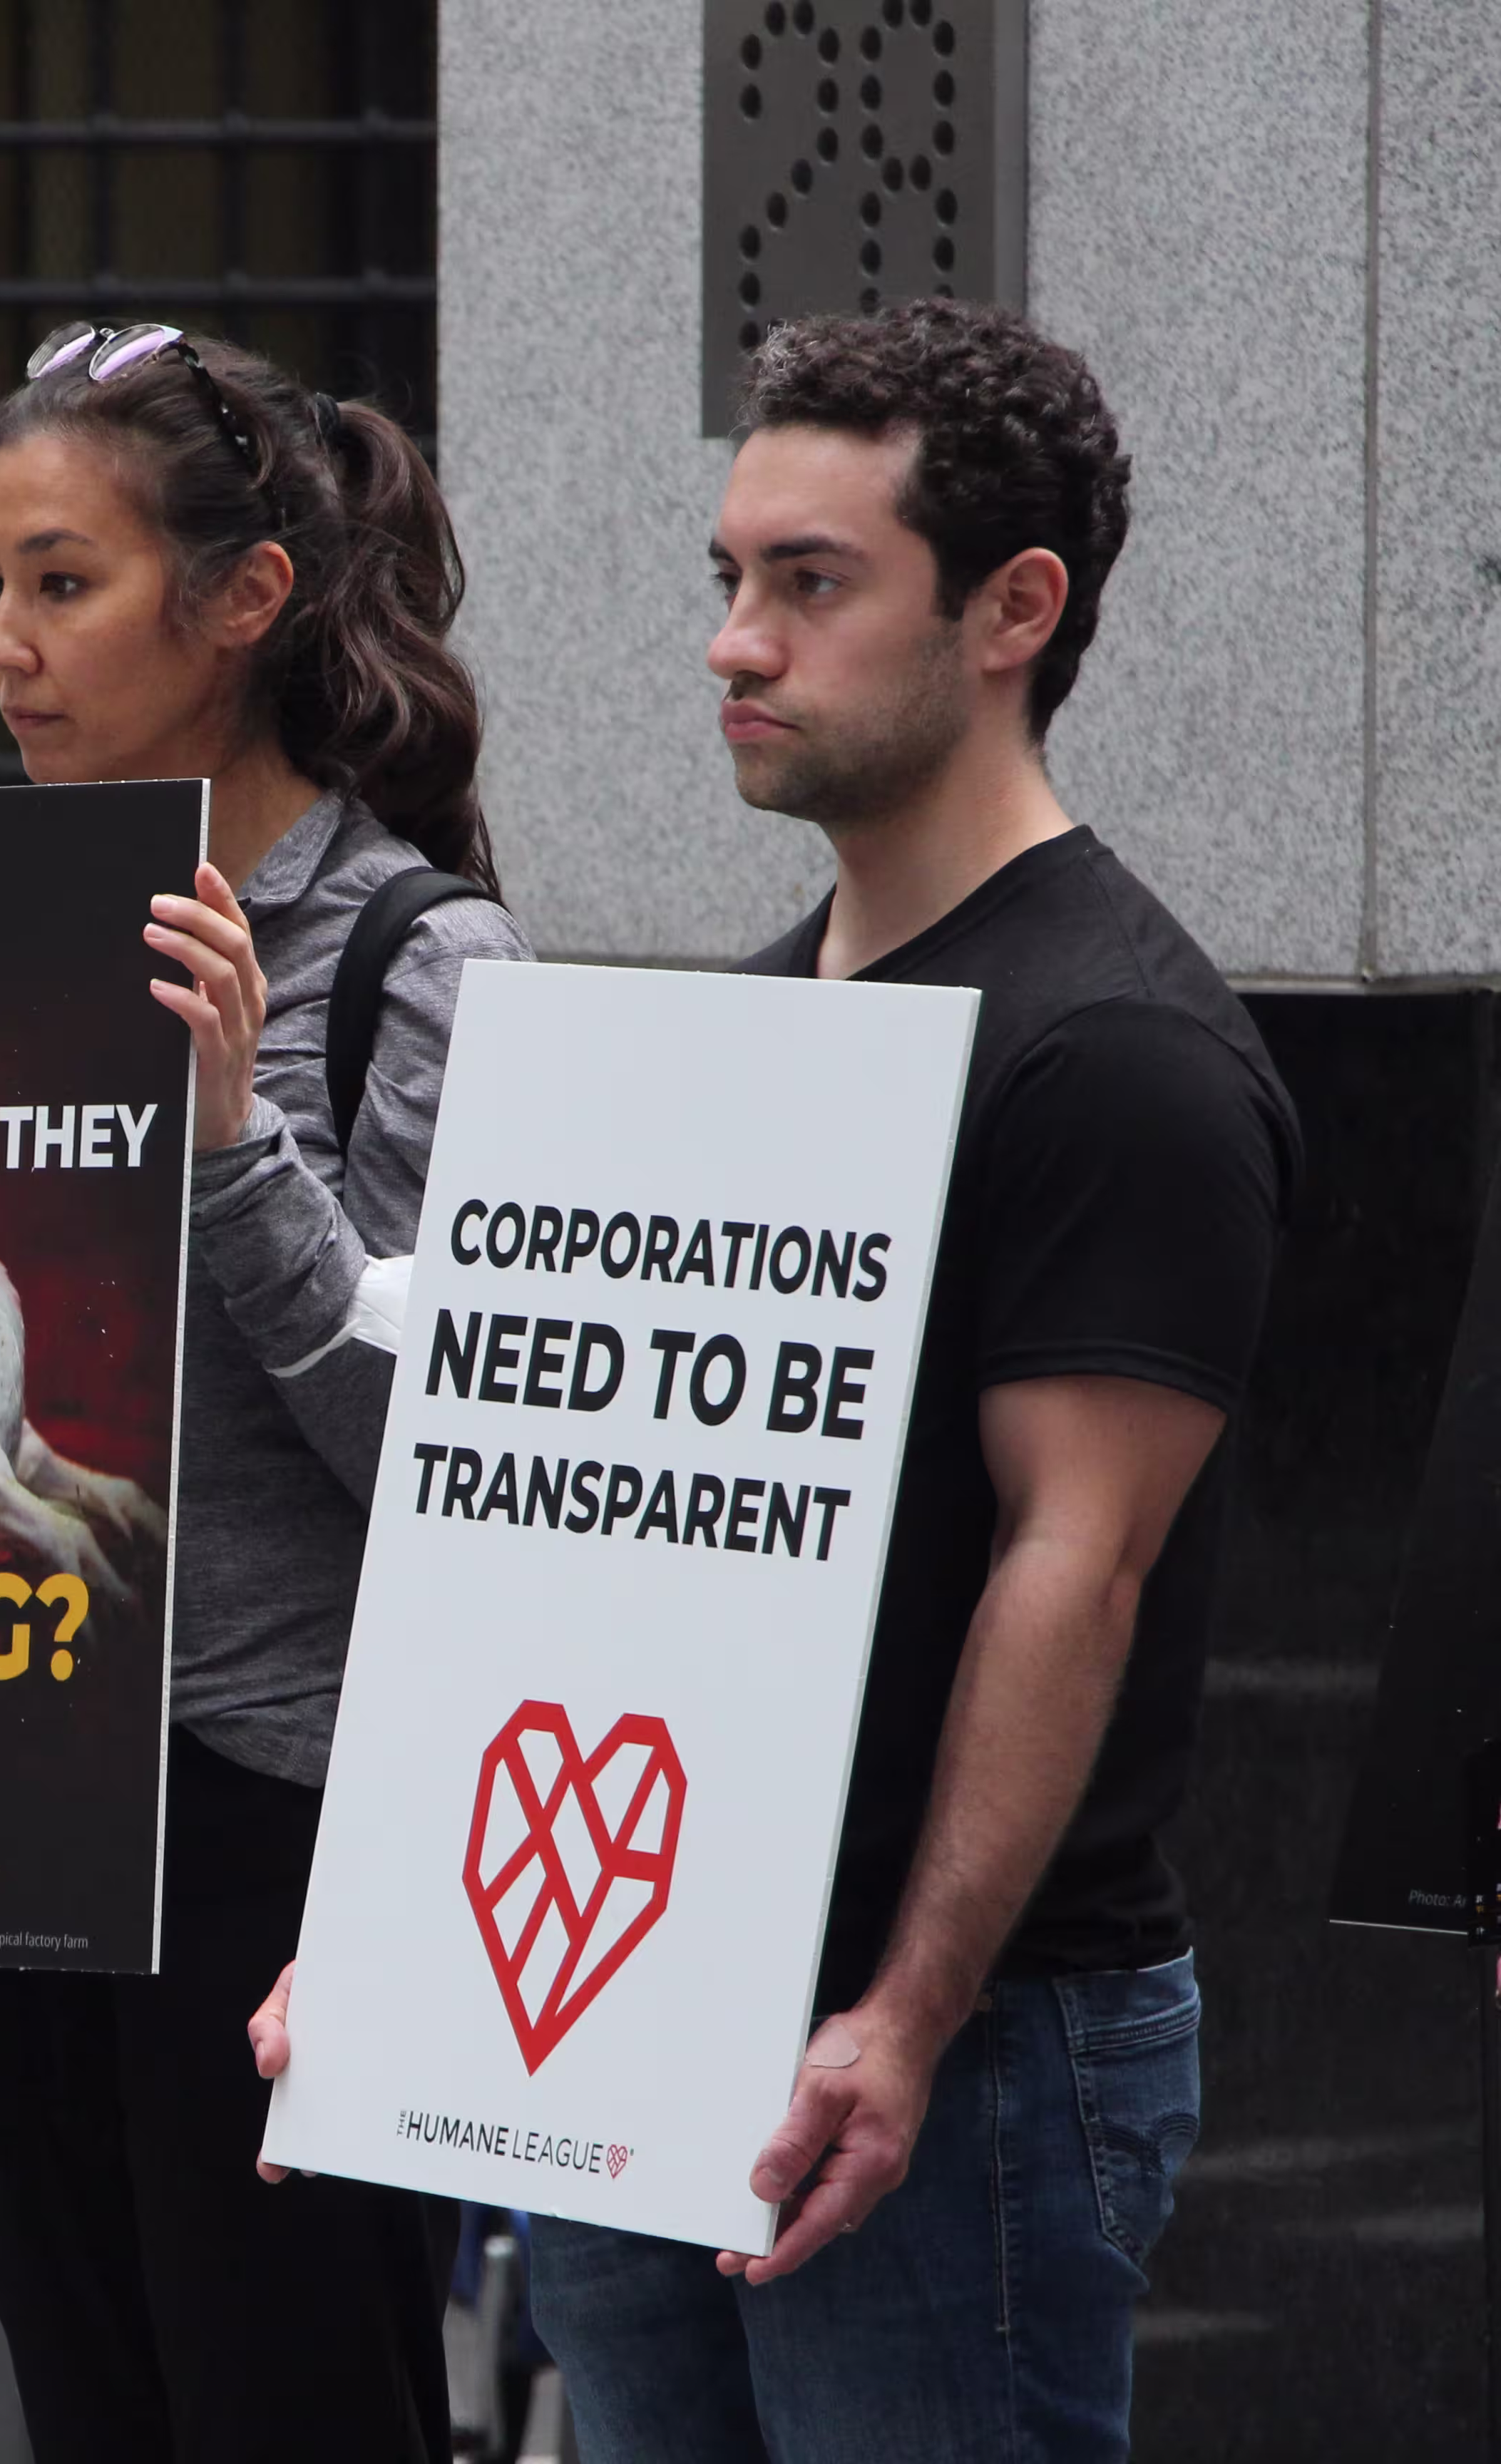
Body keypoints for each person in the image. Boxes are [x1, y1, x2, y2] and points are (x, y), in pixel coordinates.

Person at [259, 300, 1298, 2463]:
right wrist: (398, 1952)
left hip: (965, 2051)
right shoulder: (738, 1031)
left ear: (1015, 610)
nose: (737, 642)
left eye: (811, 584)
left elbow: (1074, 1566)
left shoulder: (1117, 1051)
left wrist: (905, 2023)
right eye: (730, 578)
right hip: (648, 2013)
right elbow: (546, 1503)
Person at [0, 318, 524, 2461]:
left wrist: (235, 1144)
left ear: (243, 604)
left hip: (287, 1838)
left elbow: (445, 1465)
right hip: (21, 1800)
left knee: (299, 2411)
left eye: (65, 583)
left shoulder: (423, 962)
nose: (5, 644)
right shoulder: (9, 927)